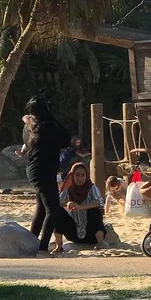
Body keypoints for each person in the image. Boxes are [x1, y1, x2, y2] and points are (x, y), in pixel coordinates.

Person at [24, 96, 79, 255]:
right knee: (52, 210)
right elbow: (66, 139)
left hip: (35, 170)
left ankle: (32, 243)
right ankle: (42, 248)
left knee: (42, 209)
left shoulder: (31, 127)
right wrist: (53, 117)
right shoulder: (48, 127)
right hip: (44, 171)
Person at [55, 162, 108, 249]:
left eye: (83, 175)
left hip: (92, 234)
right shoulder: (68, 190)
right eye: (77, 175)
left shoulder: (91, 188)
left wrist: (80, 207)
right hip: (74, 234)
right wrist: (68, 203)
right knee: (57, 212)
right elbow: (57, 203)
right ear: (72, 175)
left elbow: (99, 202)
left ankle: (100, 243)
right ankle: (59, 246)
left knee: (95, 211)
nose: (80, 178)